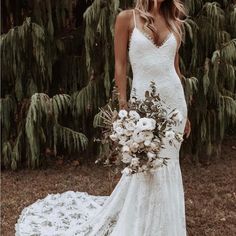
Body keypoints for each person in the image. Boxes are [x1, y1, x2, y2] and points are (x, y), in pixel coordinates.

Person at [15, 0, 191, 235]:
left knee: (167, 164)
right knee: (144, 165)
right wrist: (123, 106)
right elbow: (120, 66)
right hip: (141, 105)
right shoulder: (126, 19)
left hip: (173, 105)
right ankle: (140, 225)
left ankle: (165, 227)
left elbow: (175, 69)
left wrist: (185, 112)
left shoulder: (174, 19)